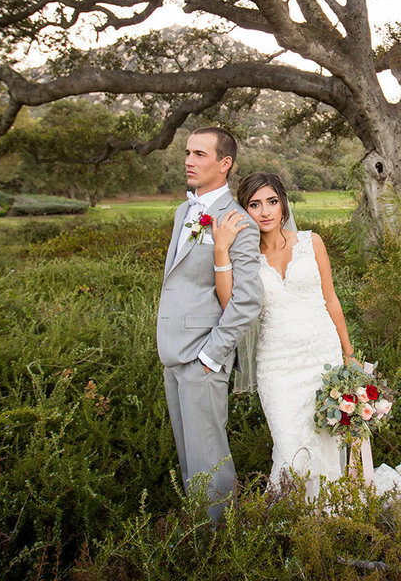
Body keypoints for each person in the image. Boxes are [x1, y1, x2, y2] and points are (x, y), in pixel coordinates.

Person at [212, 171, 354, 498]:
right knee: (289, 446)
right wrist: (221, 251)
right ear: (244, 210)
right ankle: (288, 521)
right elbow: (228, 304)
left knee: (328, 441)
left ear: (283, 205)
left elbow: (330, 298)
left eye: (272, 202)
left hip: (323, 358)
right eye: (255, 204)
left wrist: (348, 353)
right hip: (276, 366)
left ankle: (333, 515)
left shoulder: (311, 242)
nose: (265, 211)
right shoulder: (244, 259)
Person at [156, 127, 263, 524]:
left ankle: (219, 543)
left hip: (203, 356)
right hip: (172, 349)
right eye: (187, 152)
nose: (188, 160)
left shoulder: (238, 222)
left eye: (200, 154)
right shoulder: (184, 212)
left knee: (209, 460)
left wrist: (212, 356)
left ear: (225, 163)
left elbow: (247, 299)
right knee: (188, 456)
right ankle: (197, 535)